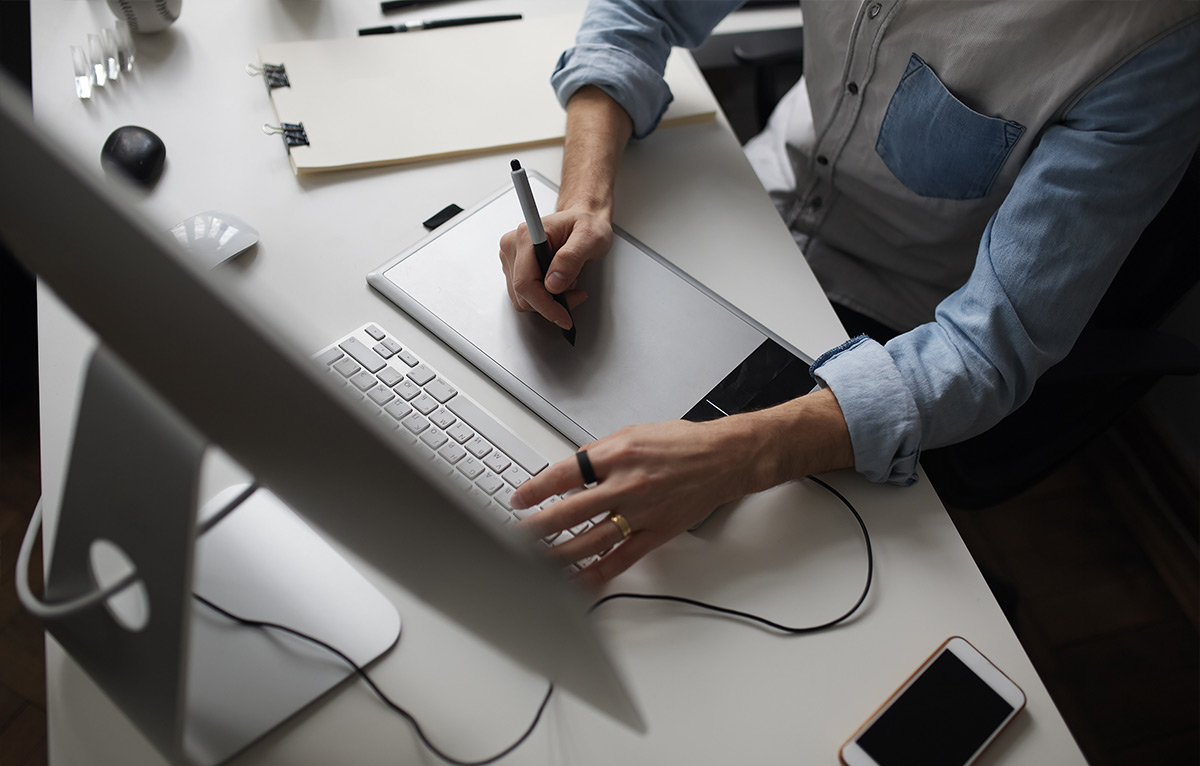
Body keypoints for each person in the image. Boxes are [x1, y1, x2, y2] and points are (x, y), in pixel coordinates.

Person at [499, 1, 1200, 588]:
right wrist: (584, 199)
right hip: (755, 204)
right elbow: (643, 9)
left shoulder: (1151, 41)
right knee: (521, 400)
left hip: (894, 329)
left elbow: (989, 344)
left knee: (681, 581)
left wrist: (733, 456)